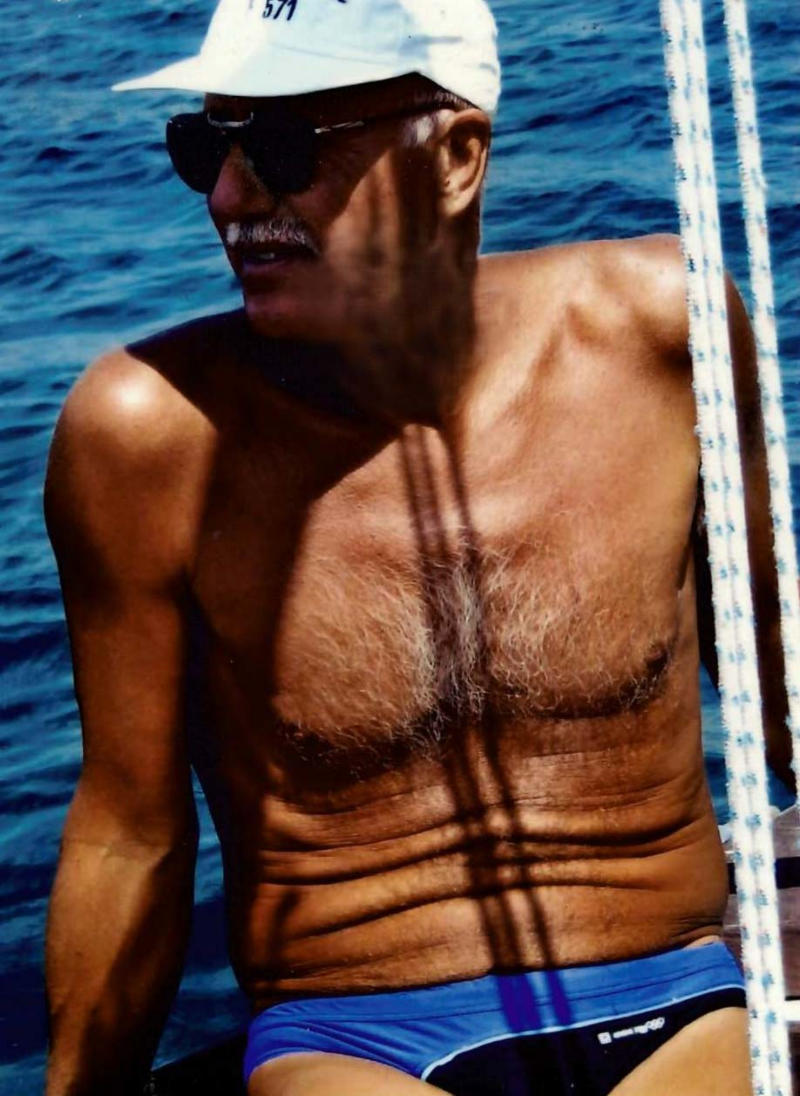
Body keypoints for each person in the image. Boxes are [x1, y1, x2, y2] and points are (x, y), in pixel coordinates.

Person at [43, 0, 793, 1093]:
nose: (230, 198)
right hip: (356, 1040)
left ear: (455, 157)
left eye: (283, 148)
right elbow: (131, 833)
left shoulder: (659, 332)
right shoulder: (149, 437)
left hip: (666, 993)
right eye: (206, 145)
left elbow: (778, 667)